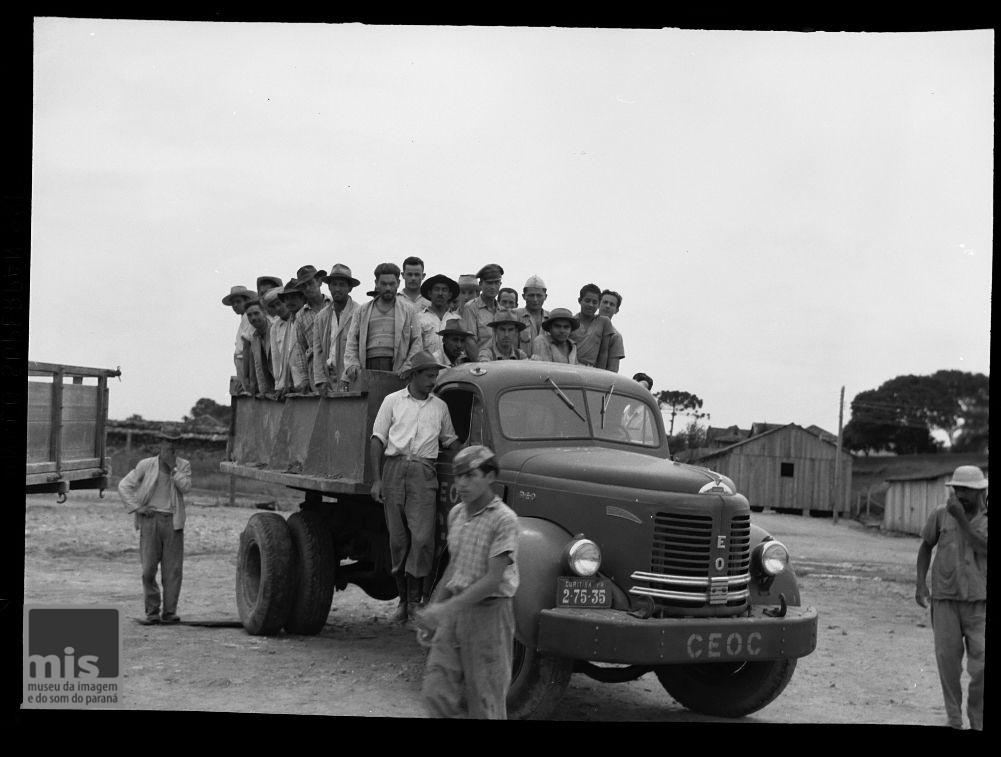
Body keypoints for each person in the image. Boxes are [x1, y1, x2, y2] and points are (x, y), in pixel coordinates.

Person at [416, 445, 519, 720]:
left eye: (470, 475)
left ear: (490, 476)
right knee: (436, 692)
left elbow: (492, 579)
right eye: (457, 476)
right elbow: (454, 567)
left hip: (490, 616)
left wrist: (445, 610)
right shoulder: (457, 515)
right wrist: (434, 611)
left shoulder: (504, 520)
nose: (461, 483)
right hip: (455, 614)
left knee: (485, 700)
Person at [370, 351, 461, 622]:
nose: (433, 380)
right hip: (394, 469)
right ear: (414, 375)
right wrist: (377, 480)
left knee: (422, 539)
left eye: (435, 375)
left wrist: (472, 458)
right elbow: (377, 440)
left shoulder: (439, 407)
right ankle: (403, 600)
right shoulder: (392, 401)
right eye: (429, 375)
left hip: (424, 471)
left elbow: (450, 441)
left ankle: (415, 601)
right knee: (398, 540)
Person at [915, 465, 987, 730]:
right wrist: (920, 584)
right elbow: (925, 547)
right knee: (948, 663)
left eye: (967, 491)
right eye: (958, 490)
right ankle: (954, 718)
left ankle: (977, 719)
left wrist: (963, 520)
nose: (960, 496)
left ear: (981, 491)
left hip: (980, 601)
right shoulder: (940, 515)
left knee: (981, 667)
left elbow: (983, 547)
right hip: (945, 599)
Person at [118, 424, 192, 625]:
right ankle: (152, 612)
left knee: (173, 571)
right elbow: (124, 485)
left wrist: (172, 469)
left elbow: (185, 487)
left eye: (174, 441)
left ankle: (169, 612)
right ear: (160, 442)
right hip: (150, 521)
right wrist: (137, 508)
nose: (170, 445)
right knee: (148, 569)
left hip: (173, 522)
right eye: (167, 440)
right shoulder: (146, 464)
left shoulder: (183, 465)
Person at [339, 262, 423, 389]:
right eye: (384, 284)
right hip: (368, 367)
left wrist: (408, 365)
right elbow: (351, 341)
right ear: (377, 283)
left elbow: (417, 341)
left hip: (398, 370)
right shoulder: (362, 311)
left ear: (398, 283)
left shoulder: (408, 310)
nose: (388, 288)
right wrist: (352, 364)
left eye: (392, 284)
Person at [313, 264, 361, 394]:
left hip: (351, 376)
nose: (337, 289)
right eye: (334, 284)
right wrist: (320, 380)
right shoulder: (321, 317)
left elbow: (360, 350)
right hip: (329, 377)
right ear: (329, 287)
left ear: (350, 288)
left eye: (342, 285)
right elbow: (318, 351)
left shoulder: (359, 312)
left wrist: (349, 376)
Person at [288, 265, 331, 394]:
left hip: (335, 361)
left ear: (319, 281)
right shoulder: (300, 316)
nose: (307, 288)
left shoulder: (333, 304)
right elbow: (299, 349)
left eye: (310, 283)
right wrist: (304, 379)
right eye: (303, 286)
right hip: (315, 368)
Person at [459, 263, 503, 361]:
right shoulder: (471, 308)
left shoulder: (502, 311)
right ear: (480, 284)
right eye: (489, 283)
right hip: (480, 366)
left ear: (500, 285)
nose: (493, 287)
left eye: (496, 283)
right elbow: (470, 341)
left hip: (501, 366)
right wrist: (481, 366)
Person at [571, 283, 616, 370]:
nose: (591, 305)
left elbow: (604, 352)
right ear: (580, 300)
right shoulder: (571, 321)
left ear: (599, 304)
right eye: (587, 301)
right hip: (571, 367)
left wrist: (600, 373)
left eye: (594, 302)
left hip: (591, 370)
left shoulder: (604, 322)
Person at [417, 273, 461, 362]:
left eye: (444, 290)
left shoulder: (457, 319)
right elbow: (416, 347)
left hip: (452, 369)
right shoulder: (419, 318)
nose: (440, 293)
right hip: (428, 369)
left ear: (449, 295)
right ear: (430, 293)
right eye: (437, 289)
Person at [223, 285, 255, 395]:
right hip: (241, 363)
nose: (235, 305)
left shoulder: (248, 317)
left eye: (238, 301)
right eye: (233, 303)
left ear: (246, 301)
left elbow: (247, 346)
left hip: (246, 362)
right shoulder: (243, 318)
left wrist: (246, 376)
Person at [266, 286, 296, 398]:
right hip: (285, 385)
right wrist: (278, 386)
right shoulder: (274, 328)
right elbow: (276, 359)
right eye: (273, 306)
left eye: (279, 303)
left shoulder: (298, 319)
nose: (277, 308)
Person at [243, 299, 275, 398]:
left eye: (256, 313)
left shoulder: (276, 330)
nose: (253, 318)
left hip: (284, 387)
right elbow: (257, 366)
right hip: (269, 390)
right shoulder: (253, 337)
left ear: (264, 312)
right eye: (249, 315)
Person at [516, 274, 549, 358]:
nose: (535, 299)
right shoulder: (515, 316)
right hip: (521, 366)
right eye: (531, 295)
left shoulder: (551, 318)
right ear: (523, 296)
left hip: (547, 368)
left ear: (545, 297)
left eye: (539, 295)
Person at [598, 289, 626, 373]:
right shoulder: (580, 324)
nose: (607, 306)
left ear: (616, 310)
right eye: (605, 302)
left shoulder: (616, 336)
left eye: (612, 304)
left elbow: (612, 370)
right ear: (598, 304)